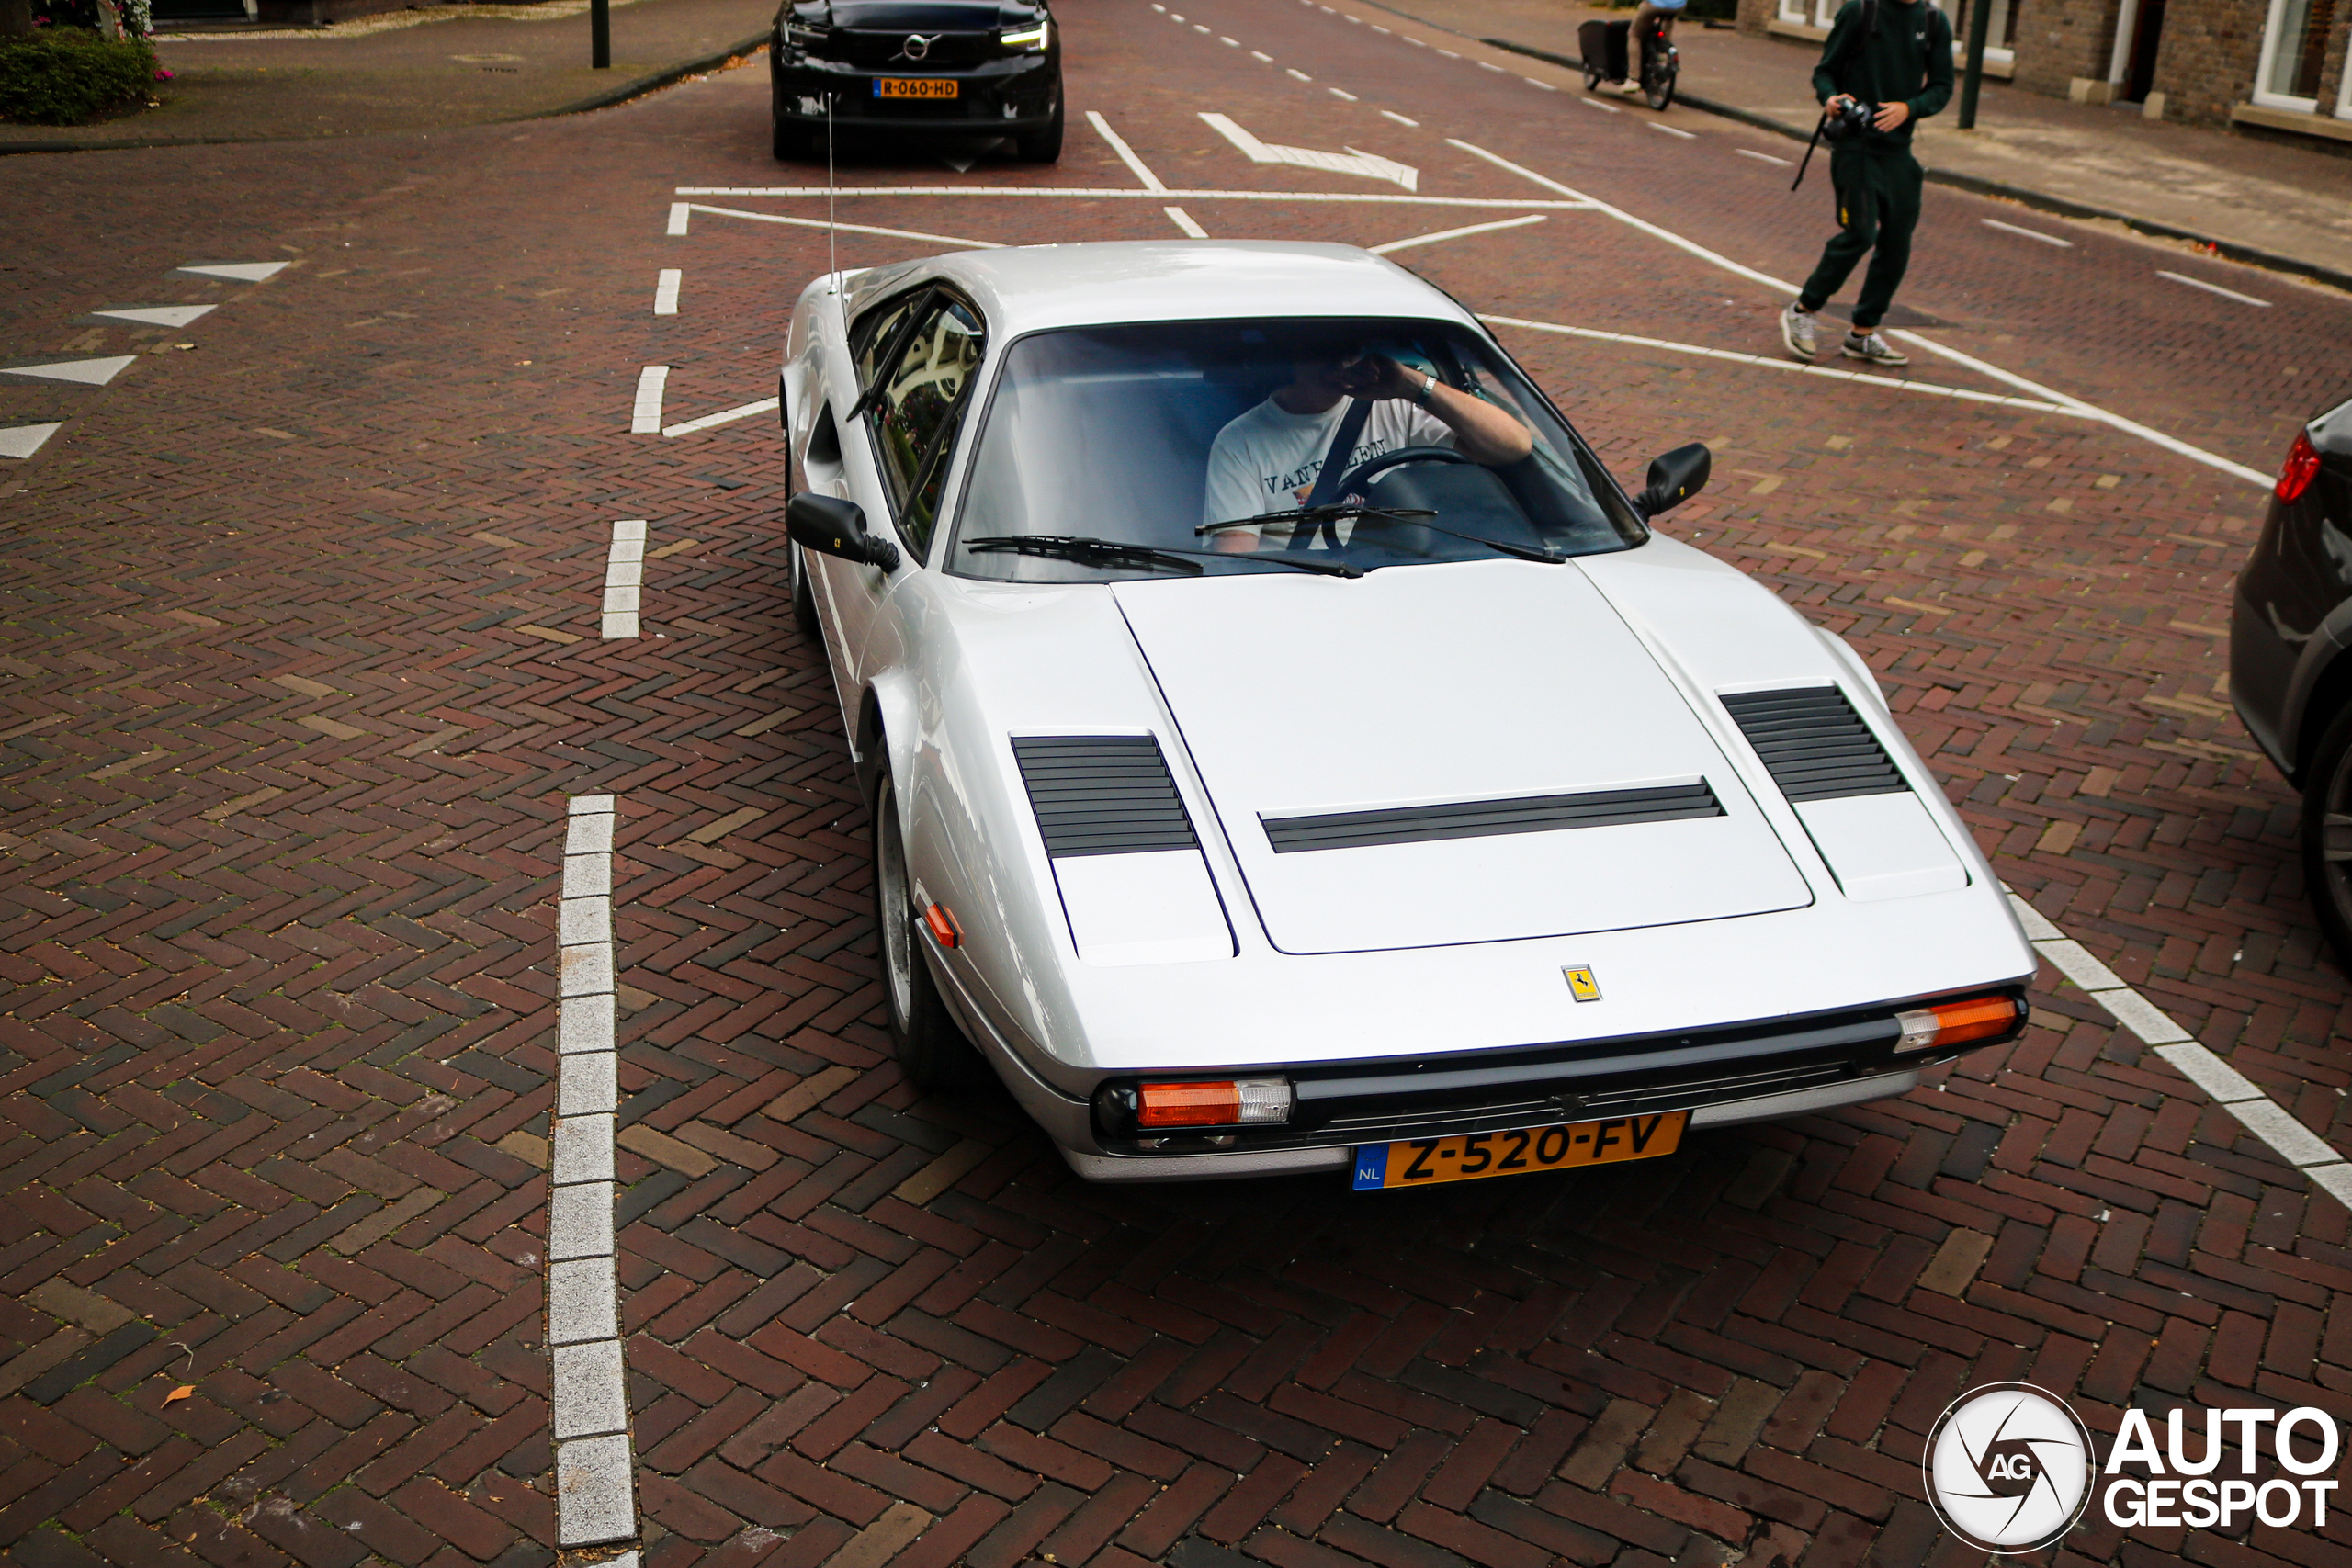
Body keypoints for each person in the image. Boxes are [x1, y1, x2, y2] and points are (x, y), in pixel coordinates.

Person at [1201, 344, 1532, 550]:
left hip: (1404, 567)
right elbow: (1236, 555)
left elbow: (1513, 446)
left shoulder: (1395, 406)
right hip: (1307, 583)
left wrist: (1412, 384)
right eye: (1322, 351)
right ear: (1293, 358)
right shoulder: (1240, 441)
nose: (1339, 363)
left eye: (1347, 350)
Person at [1778, 0, 1952, 368]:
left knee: (1897, 241)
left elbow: (1941, 87)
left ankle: (1862, 332)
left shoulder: (1934, 21)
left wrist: (1910, 108)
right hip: (1855, 147)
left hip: (1899, 153)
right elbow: (1825, 72)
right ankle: (1804, 308)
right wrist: (1830, 98)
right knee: (1860, 232)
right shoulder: (1860, 11)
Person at [1627, 0, 1684, 88]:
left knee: (1634, 35)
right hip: (1678, 6)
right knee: (1665, 29)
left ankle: (1634, 79)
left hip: (1654, 5)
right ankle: (1665, 52)